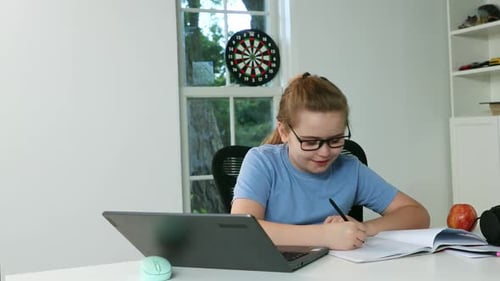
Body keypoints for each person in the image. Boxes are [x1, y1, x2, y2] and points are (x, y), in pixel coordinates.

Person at [231, 72, 430, 250]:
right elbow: (241, 230)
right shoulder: (262, 162)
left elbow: (417, 214)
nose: (325, 152)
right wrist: (325, 235)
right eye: (310, 142)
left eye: (335, 140)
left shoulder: (350, 169)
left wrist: (365, 228)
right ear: (284, 132)